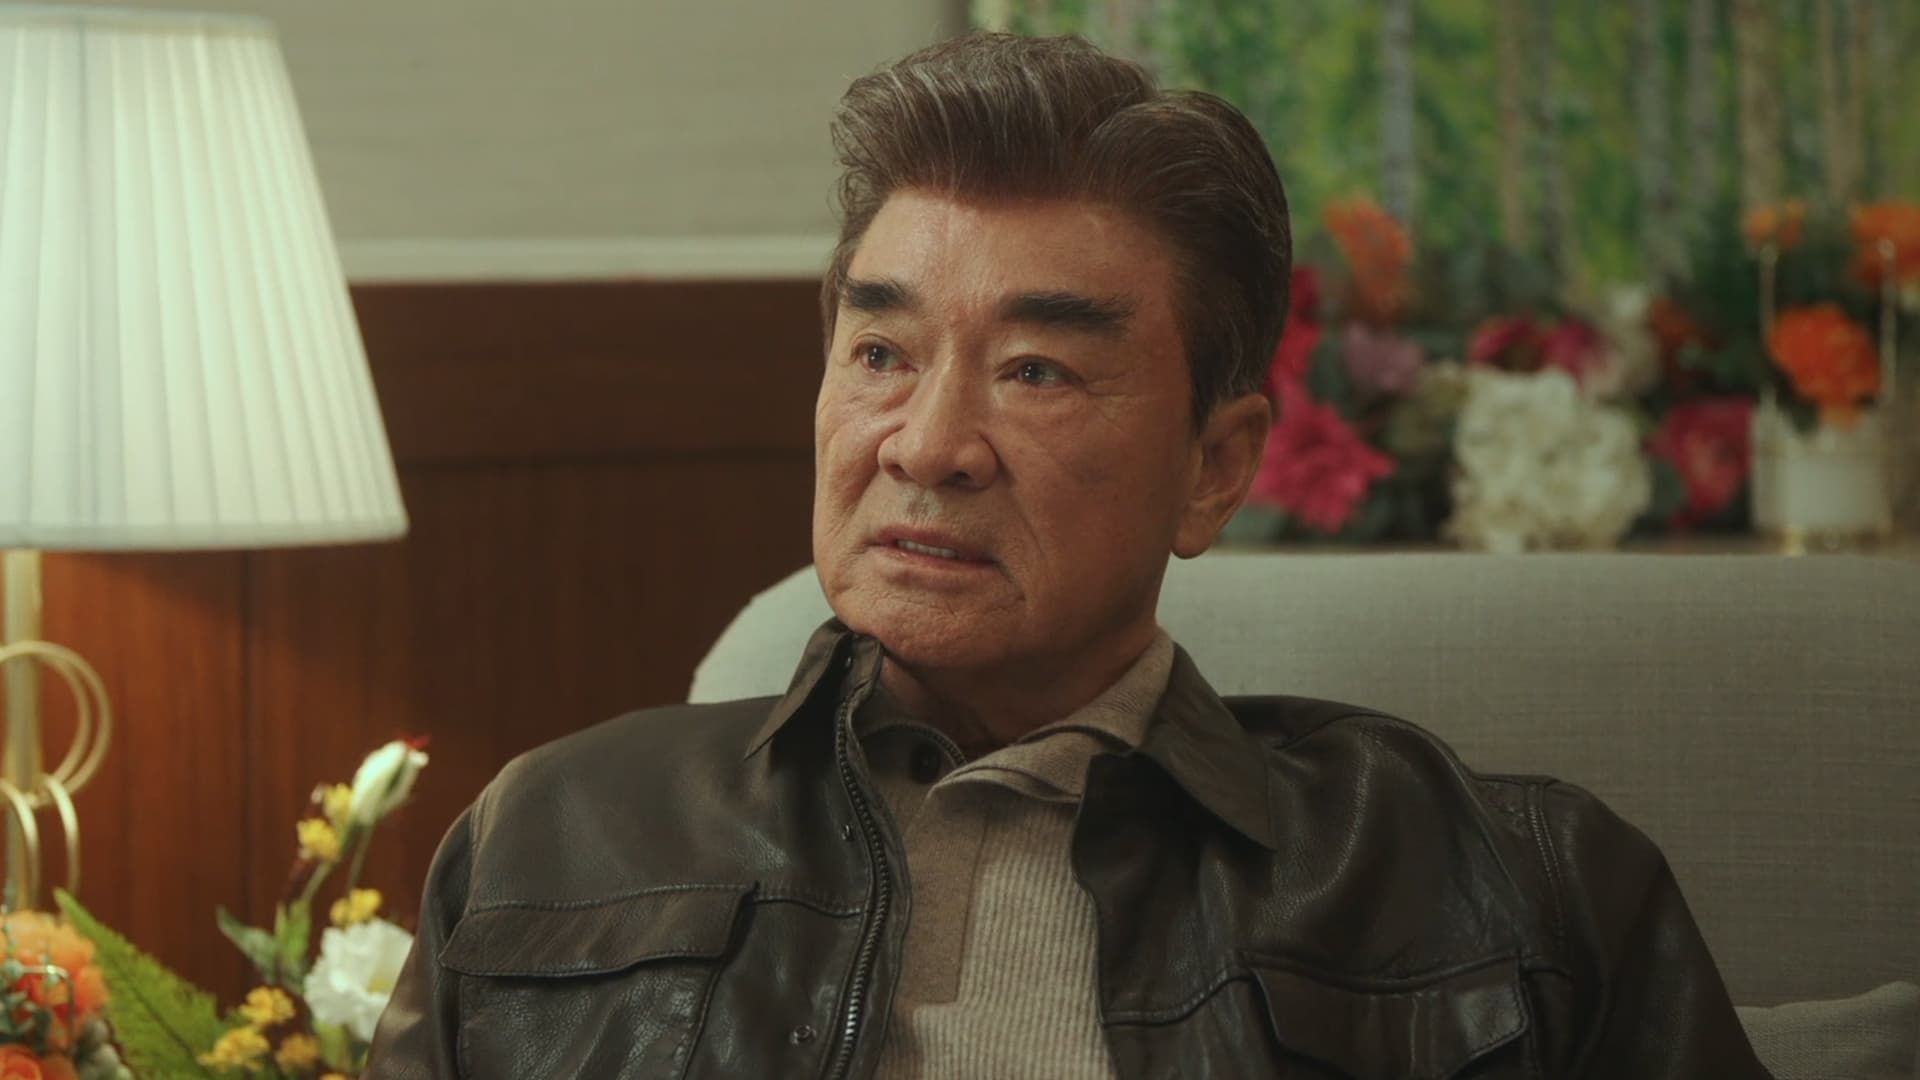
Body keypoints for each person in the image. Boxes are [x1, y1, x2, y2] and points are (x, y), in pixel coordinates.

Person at [366, 32, 1770, 1079]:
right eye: (880, 352)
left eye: (1036, 370)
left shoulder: (1512, 888)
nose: (927, 445)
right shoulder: (551, 840)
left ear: (1215, 468)